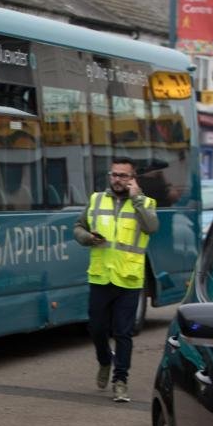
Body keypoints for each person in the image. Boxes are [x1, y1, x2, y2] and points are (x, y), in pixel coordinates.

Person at [74, 156, 158, 403]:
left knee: (123, 333)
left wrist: (138, 199)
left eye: (123, 176)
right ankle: (104, 361)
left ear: (133, 179)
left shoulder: (145, 203)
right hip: (101, 277)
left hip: (129, 279)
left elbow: (152, 227)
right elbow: (78, 227)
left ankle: (121, 381)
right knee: (97, 329)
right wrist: (87, 237)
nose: (117, 180)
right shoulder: (96, 200)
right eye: (114, 175)